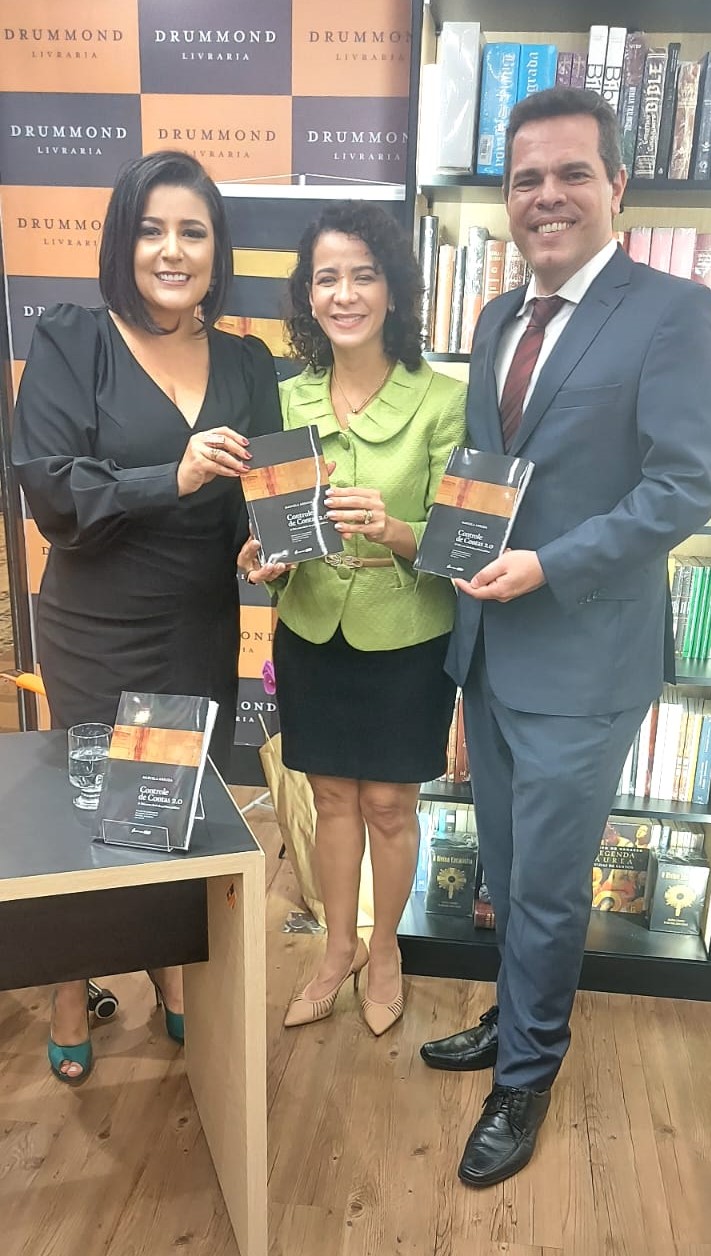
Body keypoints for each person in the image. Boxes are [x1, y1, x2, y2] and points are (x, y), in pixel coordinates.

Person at [420, 86, 711, 1187]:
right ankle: (515, 1015)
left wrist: (551, 562)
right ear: (507, 197)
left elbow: (684, 486)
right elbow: (489, 472)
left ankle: (528, 1073)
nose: (546, 195)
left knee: (547, 885)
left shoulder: (675, 312)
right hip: (488, 649)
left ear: (617, 185)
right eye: (526, 178)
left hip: (584, 660)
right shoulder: (496, 317)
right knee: (507, 868)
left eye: (571, 173)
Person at [11, 150, 281, 1084]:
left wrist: (263, 546)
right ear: (122, 242)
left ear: (216, 249)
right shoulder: (73, 340)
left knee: (169, 813)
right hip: (95, 624)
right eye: (152, 230)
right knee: (89, 812)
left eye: (192, 232)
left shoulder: (247, 361)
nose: (172, 250)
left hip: (195, 625)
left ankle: (168, 966)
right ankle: (69, 983)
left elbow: (259, 500)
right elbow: (51, 491)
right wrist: (173, 474)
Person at [239, 200, 466, 1036]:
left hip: (408, 631)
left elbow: (463, 542)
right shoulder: (281, 399)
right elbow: (269, 524)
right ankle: (337, 948)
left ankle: (387, 948)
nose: (344, 294)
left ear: (392, 290)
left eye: (362, 276)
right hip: (310, 627)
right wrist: (260, 558)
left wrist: (396, 528)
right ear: (307, 295)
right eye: (326, 278)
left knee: (390, 807)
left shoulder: (441, 400)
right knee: (331, 798)